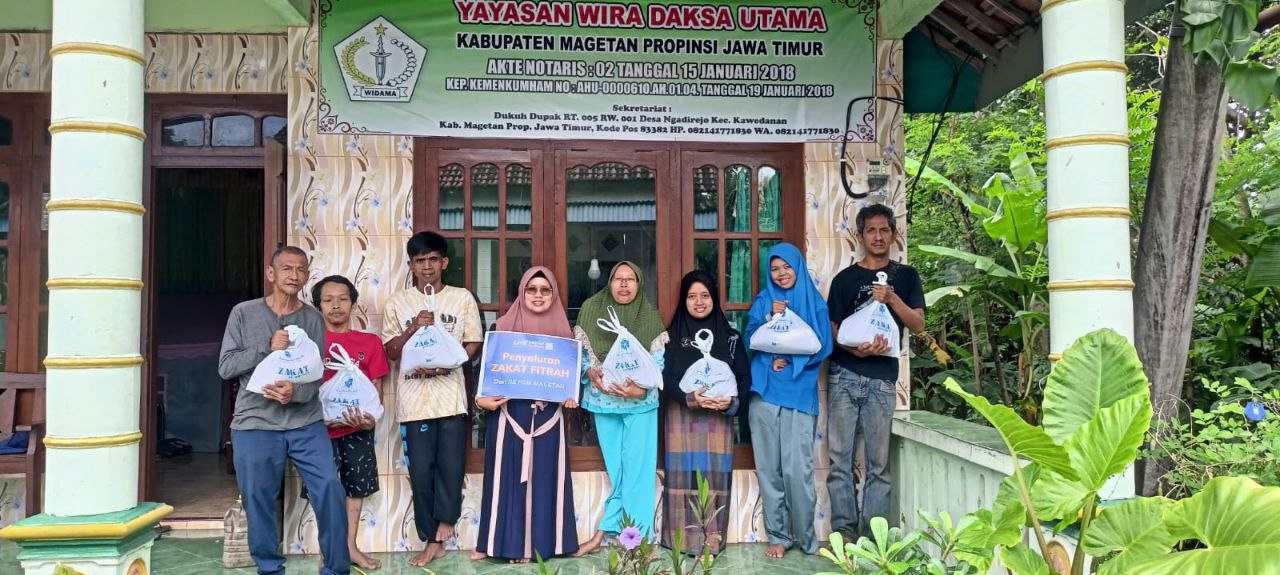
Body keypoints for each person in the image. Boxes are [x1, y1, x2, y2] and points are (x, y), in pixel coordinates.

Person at [217, 246, 350, 575]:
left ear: (306, 276)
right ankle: (269, 568)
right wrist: (265, 348)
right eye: (287, 268)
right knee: (258, 499)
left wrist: (295, 393)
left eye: (301, 269)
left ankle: (335, 569)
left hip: (305, 422)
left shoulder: (313, 319)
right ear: (271, 273)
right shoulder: (243, 313)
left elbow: (316, 374)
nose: (294, 275)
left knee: (330, 490)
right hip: (254, 423)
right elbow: (226, 367)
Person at [381, 231, 483, 567]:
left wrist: (444, 364)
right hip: (413, 404)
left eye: (433, 260)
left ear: (444, 262)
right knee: (421, 471)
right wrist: (413, 328)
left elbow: (473, 344)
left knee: (451, 468)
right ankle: (429, 537)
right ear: (411, 265)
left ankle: (443, 532)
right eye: (420, 261)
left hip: (451, 399)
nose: (427, 267)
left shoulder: (461, 298)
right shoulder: (398, 302)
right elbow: (391, 352)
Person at [826, 204, 925, 540]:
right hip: (844, 374)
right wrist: (855, 348)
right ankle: (843, 533)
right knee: (839, 460)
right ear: (860, 235)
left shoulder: (906, 277)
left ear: (894, 235)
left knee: (878, 464)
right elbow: (833, 329)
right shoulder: (845, 279)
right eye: (871, 230)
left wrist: (892, 298)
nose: (879, 236)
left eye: (885, 230)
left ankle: (873, 538)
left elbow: (919, 324)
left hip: (883, 379)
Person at [473, 266, 583, 563]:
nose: (537, 296)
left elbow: (571, 382)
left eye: (544, 290)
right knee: (506, 481)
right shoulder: (502, 330)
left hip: (549, 419)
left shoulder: (565, 336)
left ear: (554, 295)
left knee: (547, 480)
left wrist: (573, 398)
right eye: (531, 289)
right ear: (521, 293)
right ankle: (500, 545)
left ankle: (540, 546)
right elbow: (483, 377)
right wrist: (482, 400)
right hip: (508, 415)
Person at [574, 262, 668, 556]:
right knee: (619, 472)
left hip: (641, 404)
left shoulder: (649, 315)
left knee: (638, 474)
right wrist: (590, 373)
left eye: (630, 280)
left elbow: (659, 362)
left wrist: (641, 389)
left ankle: (634, 539)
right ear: (610, 281)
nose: (624, 285)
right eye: (618, 279)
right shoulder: (591, 309)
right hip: (605, 403)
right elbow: (578, 357)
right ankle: (612, 534)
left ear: (639, 284)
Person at [745, 242, 833, 559]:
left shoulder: (815, 303)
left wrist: (791, 361)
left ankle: (807, 538)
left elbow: (822, 347)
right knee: (770, 470)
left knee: (798, 471)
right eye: (774, 268)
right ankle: (779, 537)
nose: (781, 274)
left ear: (797, 266)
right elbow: (751, 338)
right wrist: (770, 320)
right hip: (765, 394)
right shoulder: (764, 300)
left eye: (787, 267)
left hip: (798, 394)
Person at [661, 271, 751, 556]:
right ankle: (680, 541)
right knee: (681, 481)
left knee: (713, 480)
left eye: (705, 295)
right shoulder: (671, 336)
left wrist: (730, 403)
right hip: (681, 419)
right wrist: (690, 397)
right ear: (683, 300)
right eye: (691, 296)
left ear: (714, 298)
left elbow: (744, 381)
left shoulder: (731, 338)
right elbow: (663, 378)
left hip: (717, 423)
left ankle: (711, 539)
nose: (698, 302)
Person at [310, 275, 390, 570]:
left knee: (355, 490)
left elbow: (376, 391)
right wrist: (317, 421)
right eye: (328, 299)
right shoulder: (309, 342)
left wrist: (370, 420)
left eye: (342, 299)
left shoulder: (369, 343)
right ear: (318, 305)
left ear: (353, 304)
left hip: (358, 429)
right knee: (325, 491)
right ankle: (327, 550)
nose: (335, 305)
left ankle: (349, 547)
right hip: (318, 433)